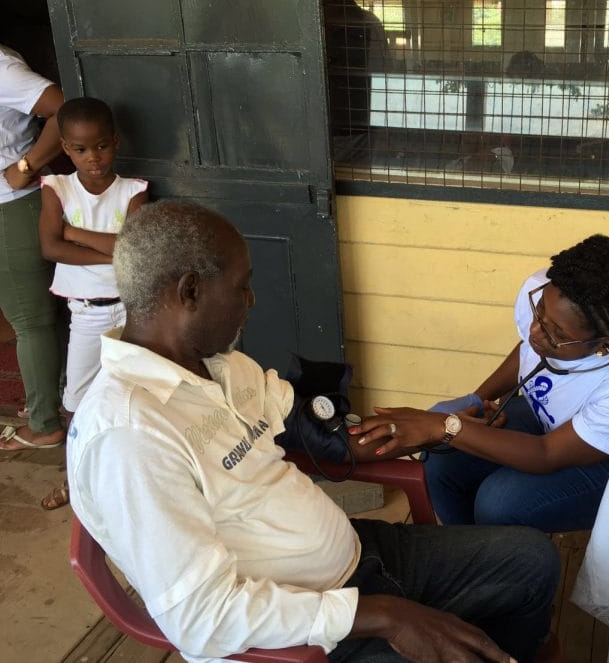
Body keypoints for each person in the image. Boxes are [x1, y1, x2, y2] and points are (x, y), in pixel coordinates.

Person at [67, 200, 558, 663]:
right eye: (242, 285)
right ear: (190, 291)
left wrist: (432, 429)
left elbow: (313, 429)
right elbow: (202, 617)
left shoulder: (220, 365)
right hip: (306, 633)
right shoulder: (129, 435)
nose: (252, 299)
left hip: (362, 557)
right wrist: (383, 616)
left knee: (533, 560)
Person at [352, 235, 609, 532]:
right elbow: (529, 351)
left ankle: (508, 573)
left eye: (558, 335)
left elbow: (547, 454)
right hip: (549, 420)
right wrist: (475, 402)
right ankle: (471, 557)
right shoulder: (546, 292)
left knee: (499, 502)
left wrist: (447, 425)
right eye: (540, 313)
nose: (537, 332)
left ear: (604, 346)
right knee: (441, 461)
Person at [35, 96, 148, 509]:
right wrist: (112, 250)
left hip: (132, 309)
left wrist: (76, 234)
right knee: (77, 400)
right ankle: (76, 481)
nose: (93, 157)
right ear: (65, 148)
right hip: (86, 313)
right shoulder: (58, 188)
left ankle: (131, 478)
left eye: (100, 146)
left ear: (115, 142)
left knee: (135, 392)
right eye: (80, 149)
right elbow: (50, 247)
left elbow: (133, 249)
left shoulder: (133, 192)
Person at [0, 43, 65, 452]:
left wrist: (26, 166)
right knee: (42, 312)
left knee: (31, 319)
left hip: (12, 206)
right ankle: (54, 397)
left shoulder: (1, 69)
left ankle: (44, 425)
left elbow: (66, 110)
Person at [318, 0, 391, 161]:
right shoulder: (304, 25)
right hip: (314, 130)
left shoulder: (368, 24)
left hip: (357, 131)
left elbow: (383, 77)